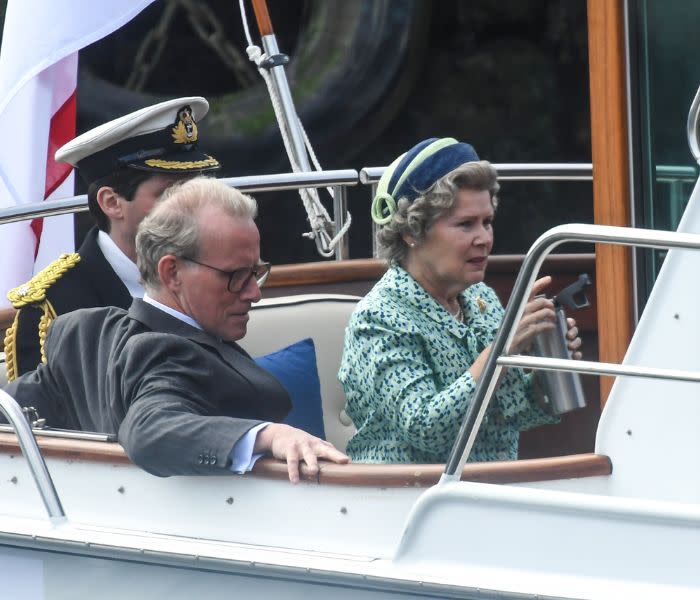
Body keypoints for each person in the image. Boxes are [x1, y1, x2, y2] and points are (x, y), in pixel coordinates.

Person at [3, 177, 348, 482]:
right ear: (171, 273)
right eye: (235, 276)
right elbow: (149, 431)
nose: (254, 292)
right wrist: (269, 436)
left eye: (255, 272)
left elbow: (13, 406)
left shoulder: (86, 332)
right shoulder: (166, 353)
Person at [338, 137, 582, 464]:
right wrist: (500, 350)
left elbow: (512, 414)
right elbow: (425, 429)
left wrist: (548, 363)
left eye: (487, 222)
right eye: (466, 224)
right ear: (412, 231)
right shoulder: (379, 318)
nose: (484, 238)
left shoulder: (480, 299)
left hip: (487, 494)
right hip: (408, 502)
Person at [4, 97, 220, 380]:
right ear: (112, 203)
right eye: (171, 193)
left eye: (198, 189)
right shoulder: (55, 307)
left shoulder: (214, 272)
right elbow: (48, 419)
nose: (195, 206)